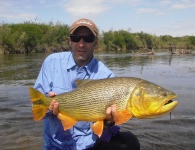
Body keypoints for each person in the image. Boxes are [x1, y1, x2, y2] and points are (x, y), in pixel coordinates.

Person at [34, 18, 140, 150]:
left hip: (88, 146)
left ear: (95, 42)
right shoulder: (52, 62)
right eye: (76, 37)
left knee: (129, 142)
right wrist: (49, 109)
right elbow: (37, 105)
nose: (81, 44)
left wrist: (109, 122)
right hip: (55, 146)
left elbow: (107, 133)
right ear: (69, 41)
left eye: (88, 38)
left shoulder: (107, 77)